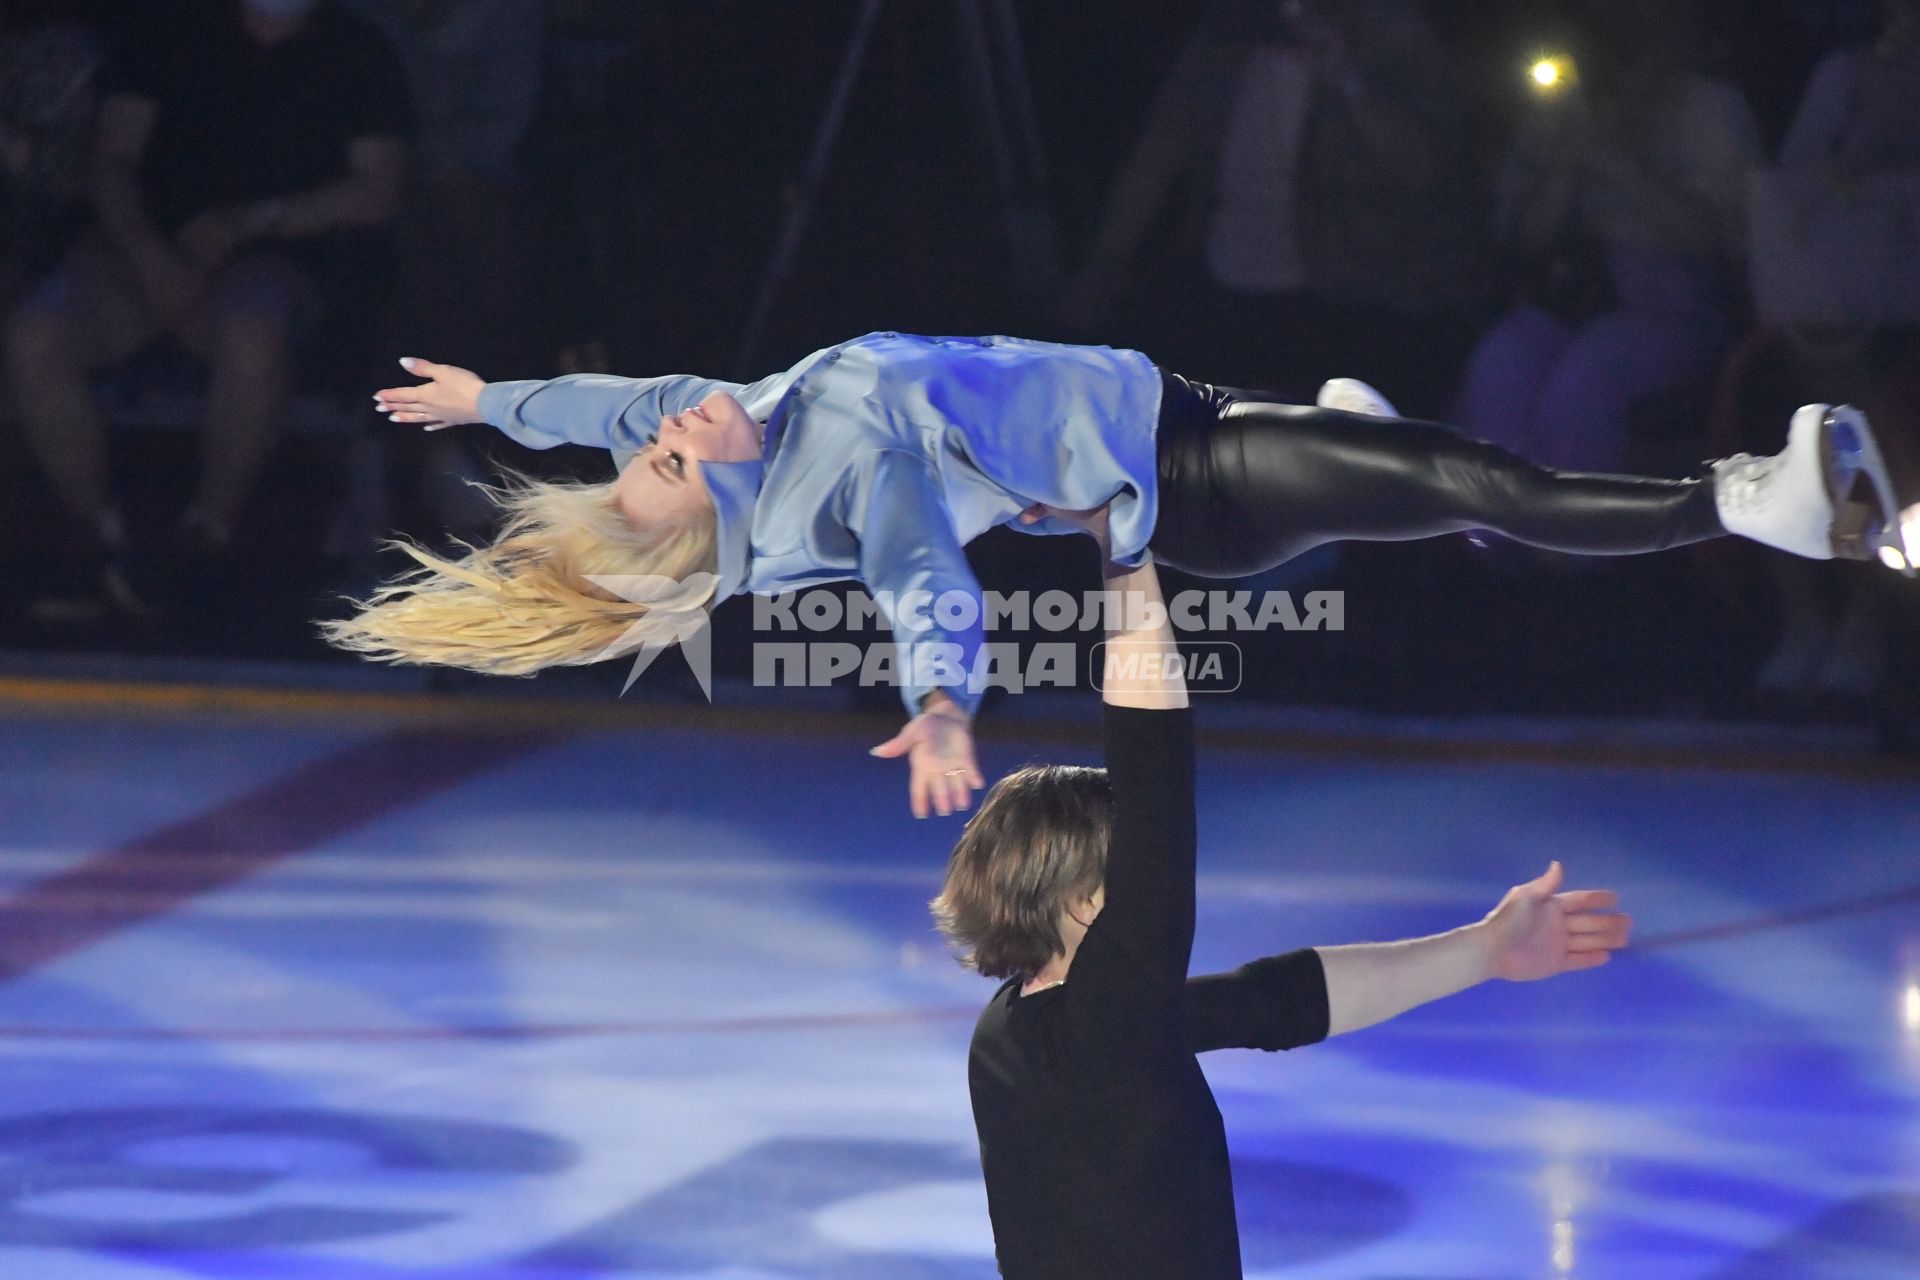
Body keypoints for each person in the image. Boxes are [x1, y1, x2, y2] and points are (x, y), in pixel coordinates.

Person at [332, 331, 1911, 816]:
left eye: (657, 433)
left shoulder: (738, 434)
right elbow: (921, 589)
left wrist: (489, 406)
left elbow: (612, 407)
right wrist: (945, 711)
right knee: (1485, 483)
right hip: (1188, 479)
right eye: (670, 463)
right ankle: (1753, 502)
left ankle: (1349, 437)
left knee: (1421, 480)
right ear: (706, 529)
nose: (672, 422)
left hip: (1184, 426)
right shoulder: (844, 475)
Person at [933, 514, 1631, 1278]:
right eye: (1130, 869)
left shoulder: (1021, 1031)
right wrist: (1122, 542)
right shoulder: (1108, 1024)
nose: (1151, 879)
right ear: (1084, 902)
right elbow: (1154, 770)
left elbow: (1278, 1001)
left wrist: (1487, 948)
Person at [2, 0, 409, 619]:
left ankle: (203, 543)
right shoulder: (168, 31)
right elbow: (112, 161)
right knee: (36, 334)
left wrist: (251, 222)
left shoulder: (359, 51)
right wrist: (149, 258)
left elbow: (377, 190)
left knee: (253, 327)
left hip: (273, 263)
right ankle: (102, 541)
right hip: (135, 255)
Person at [1453, 0, 1762, 476]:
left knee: (1587, 378)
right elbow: (1522, 236)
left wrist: (1609, 157)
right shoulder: (1568, 105)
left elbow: (1723, 243)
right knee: (1501, 361)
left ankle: (1580, 544)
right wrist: (1558, 164)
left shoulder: (1710, 106)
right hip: (1579, 302)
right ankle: (1501, 538)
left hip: (1682, 310)